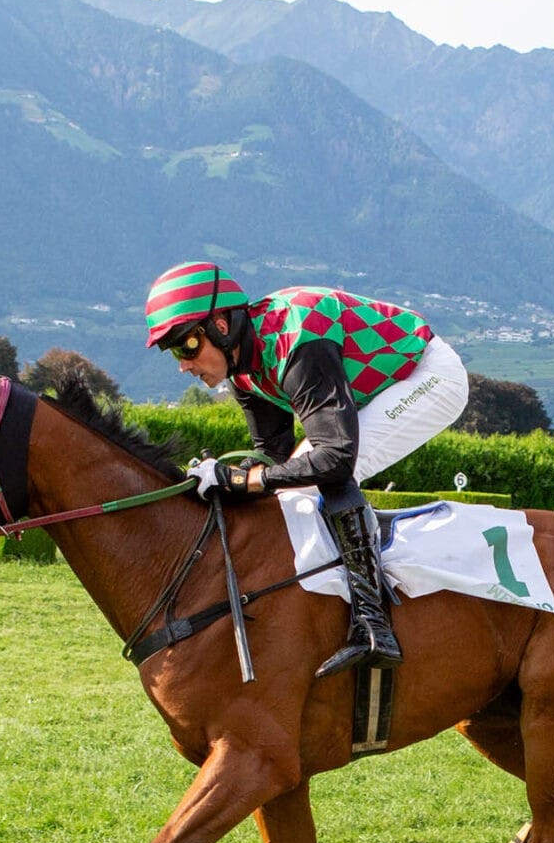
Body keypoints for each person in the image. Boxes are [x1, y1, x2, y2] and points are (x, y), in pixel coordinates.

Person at [144, 260, 468, 677]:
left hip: (427, 376)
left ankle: (374, 627)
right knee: (292, 482)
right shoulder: (241, 371)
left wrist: (244, 480)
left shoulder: (298, 342)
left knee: (321, 479)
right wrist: (229, 479)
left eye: (186, 345)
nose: (183, 364)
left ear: (221, 325)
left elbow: (334, 460)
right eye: (174, 351)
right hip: (366, 388)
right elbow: (272, 454)